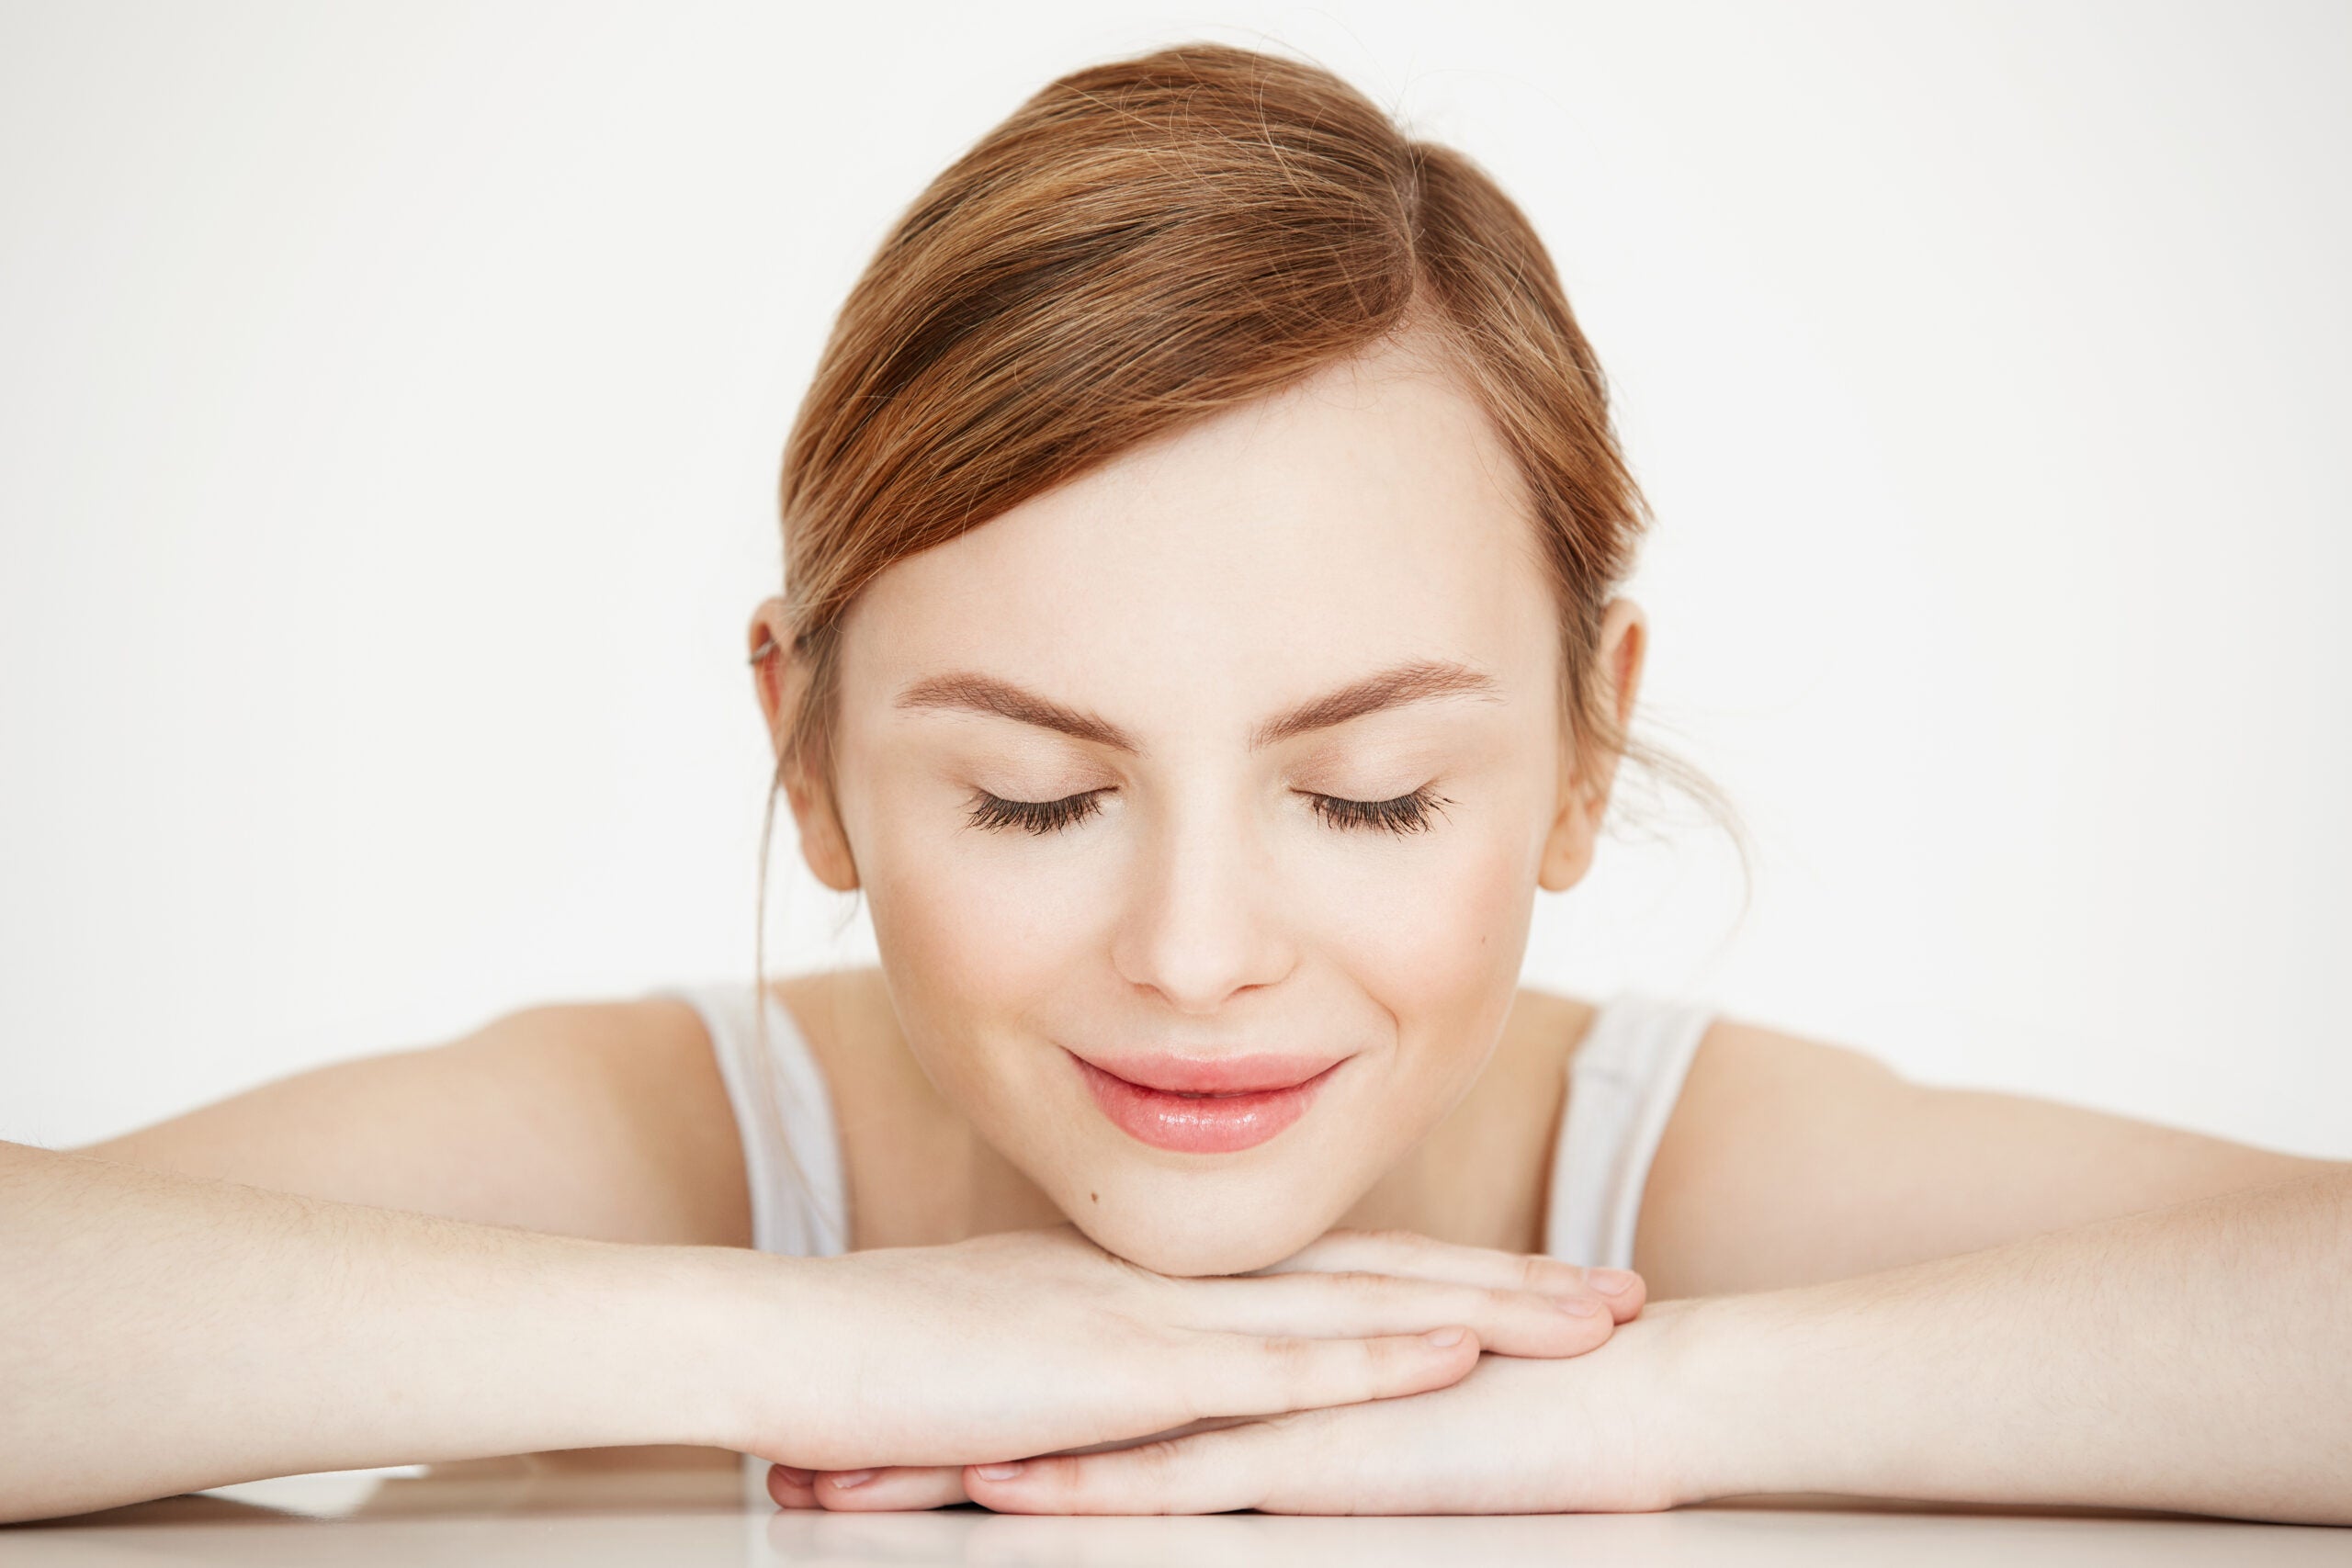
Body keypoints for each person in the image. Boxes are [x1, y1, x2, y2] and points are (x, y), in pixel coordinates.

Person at [3, 42, 2346, 1527]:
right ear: (806, 754)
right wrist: (827, 1338)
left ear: (1579, 749)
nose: (1198, 954)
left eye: (1372, 793)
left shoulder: (1656, 1169)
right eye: (1034, 796)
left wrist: (1635, 1405)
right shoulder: (676, 1141)